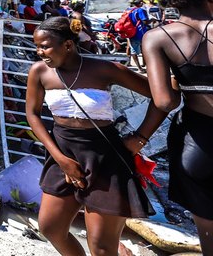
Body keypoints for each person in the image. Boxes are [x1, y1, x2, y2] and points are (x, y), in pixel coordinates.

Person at [26, 16, 161, 256]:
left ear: (68, 45)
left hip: (105, 158)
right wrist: (61, 160)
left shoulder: (104, 69)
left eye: (44, 46)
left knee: (101, 247)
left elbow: (161, 98)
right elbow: (33, 115)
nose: (39, 52)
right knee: (51, 227)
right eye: (37, 46)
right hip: (63, 154)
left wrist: (140, 138)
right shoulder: (39, 72)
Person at [140, 0, 213, 254]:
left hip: (198, 145)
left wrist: (139, 137)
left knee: (208, 233)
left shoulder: (158, 38)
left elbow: (165, 101)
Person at [126, 0, 150, 72]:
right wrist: (152, 20)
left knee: (133, 50)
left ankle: (139, 68)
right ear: (140, 3)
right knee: (145, 49)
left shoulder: (128, 10)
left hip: (131, 33)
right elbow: (145, 22)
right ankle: (147, 65)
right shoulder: (140, 10)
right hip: (141, 33)